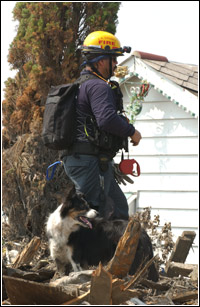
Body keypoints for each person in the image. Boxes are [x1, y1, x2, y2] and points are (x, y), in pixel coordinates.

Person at [62, 31, 142, 220]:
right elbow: (106, 119)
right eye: (113, 59)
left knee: (118, 209)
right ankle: (83, 250)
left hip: (86, 160)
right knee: (91, 214)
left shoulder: (81, 84)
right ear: (100, 61)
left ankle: (111, 250)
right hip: (89, 161)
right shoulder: (99, 86)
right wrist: (132, 132)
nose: (115, 64)